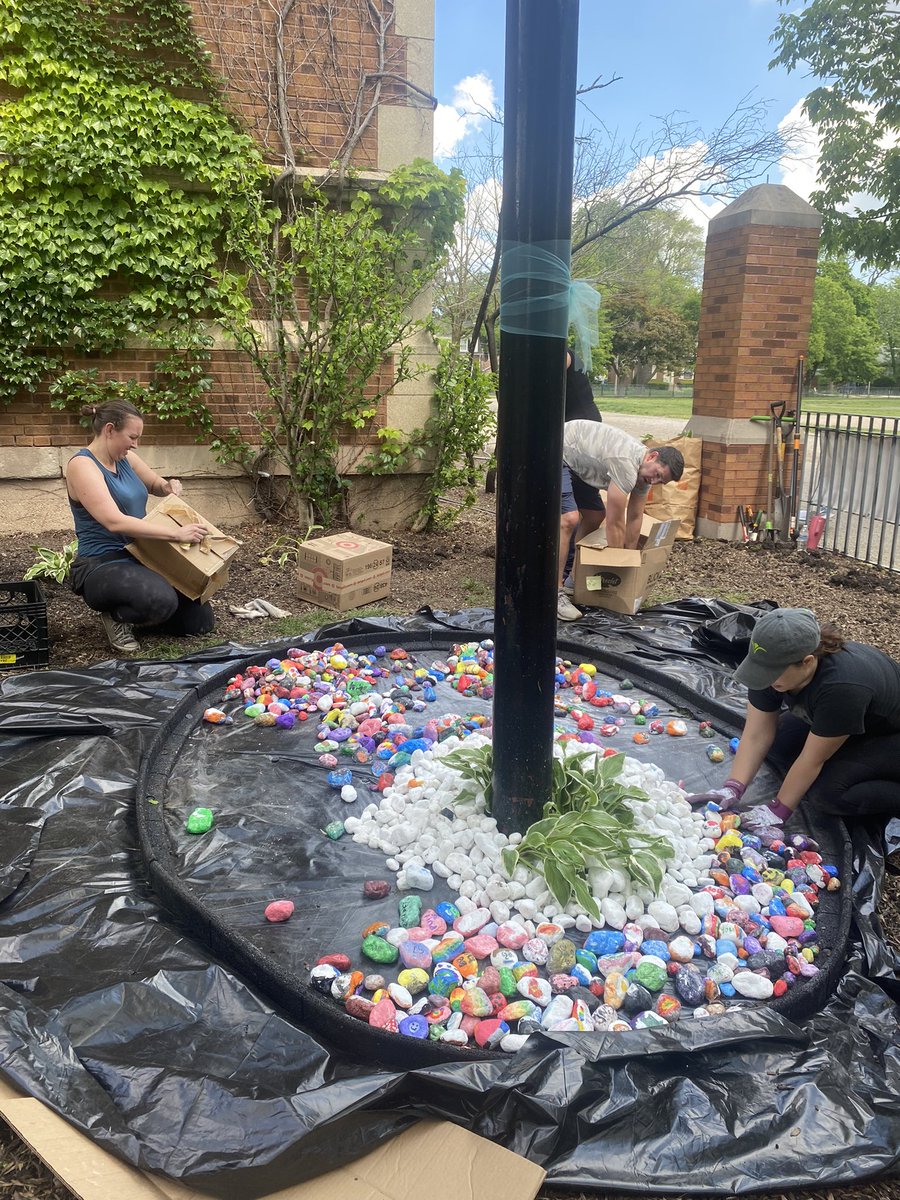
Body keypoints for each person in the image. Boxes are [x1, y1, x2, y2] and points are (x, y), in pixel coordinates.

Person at [689, 607, 900, 836]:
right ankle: (843, 747)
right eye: (759, 669)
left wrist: (778, 811)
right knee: (778, 746)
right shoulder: (769, 666)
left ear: (807, 662)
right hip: (849, 716)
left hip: (888, 734)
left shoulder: (842, 688)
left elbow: (812, 760)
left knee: (828, 794)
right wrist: (733, 788)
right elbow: (757, 734)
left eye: (772, 673)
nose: (764, 680)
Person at [66, 400, 216, 653]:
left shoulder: (127, 459)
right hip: (102, 563)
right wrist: (176, 534)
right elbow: (114, 521)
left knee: (198, 621)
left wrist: (167, 486)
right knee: (159, 600)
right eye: (132, 437)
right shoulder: (82, 466)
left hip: (142, 555)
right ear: (110, 430)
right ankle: (117, 616)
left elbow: (154, 484)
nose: (136, 444)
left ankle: (147, 611)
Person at [557, 420, 685, 621]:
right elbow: (615, 522)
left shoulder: (645, 474)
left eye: (662, 481)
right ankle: (555, 593)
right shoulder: (627, 464)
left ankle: (574, 580)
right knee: (569, 519)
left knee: (594, 516)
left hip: (580, 462)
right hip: (559, 449)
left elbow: (635, 517)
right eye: (658, 475)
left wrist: (631, 560)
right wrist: (619, 570)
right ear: (652, 456)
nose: (655, 482)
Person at [559, 350, 604, 597]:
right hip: (564, 446)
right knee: (569, 517)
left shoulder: (566, 357)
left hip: (586, 444)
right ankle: (560, 577)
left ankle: (572, 569)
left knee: (595, 514)